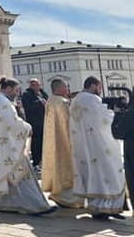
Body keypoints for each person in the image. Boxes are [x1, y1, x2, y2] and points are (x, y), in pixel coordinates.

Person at [0, 77, 55, 215]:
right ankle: (36, 205)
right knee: (23, 176)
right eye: (15, 90)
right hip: (8, 146)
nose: (16, 93)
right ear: (8, 88)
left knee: (10, 177)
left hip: (4, 145)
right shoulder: (3, 102)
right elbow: (12, 122)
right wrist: (27, 127)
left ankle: (5, 204)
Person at [70, 76, 126, 219]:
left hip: (83, 146)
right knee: (108, 173)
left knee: (92, 175)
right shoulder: (92, 99)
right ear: (93, 85)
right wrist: (115, 113)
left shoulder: (75, 100)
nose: (100, 90)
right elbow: (104, 120)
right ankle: (107, 207)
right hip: (98, 145)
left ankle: (95, 206)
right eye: (99, 87)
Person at [41, 78, 83, 208]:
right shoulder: (63, 103)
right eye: (66, 87)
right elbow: (70, 121)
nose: (68, 89)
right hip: (65, 140)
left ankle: (57, 193)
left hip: (54, 140)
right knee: (68, 167)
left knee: (58, 165)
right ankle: (70, 198)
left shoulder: (51, 100)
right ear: (59, 88)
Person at [21, 78, 47, 170]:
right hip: (34, 122)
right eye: (35, 85)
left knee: (43, 143)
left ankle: (43, 161)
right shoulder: (26, 94)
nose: (38, 87)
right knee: (35, 143)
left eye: (38, 85)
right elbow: (28, 106)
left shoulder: (41, 93)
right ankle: (36, 162)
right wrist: (40, 103)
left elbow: (47, 99)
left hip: (43, 121)